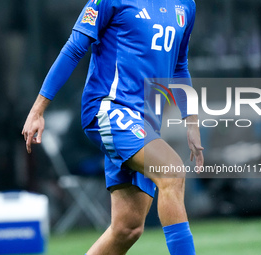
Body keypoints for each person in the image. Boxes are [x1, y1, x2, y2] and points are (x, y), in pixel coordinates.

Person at [22, 0, 204, 254]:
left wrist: (192, 122)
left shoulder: (186, 5)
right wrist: (38, 109)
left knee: (127, 227)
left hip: (146, 120)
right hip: (109, 108)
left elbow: (180, 64)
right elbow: (75, 47)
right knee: (171, 171)